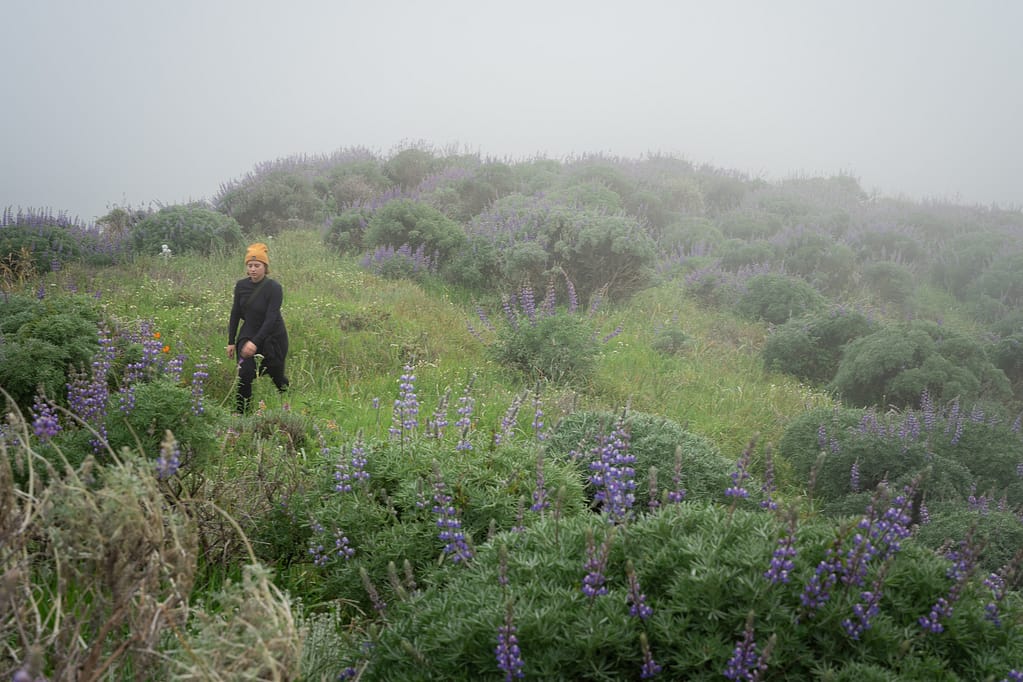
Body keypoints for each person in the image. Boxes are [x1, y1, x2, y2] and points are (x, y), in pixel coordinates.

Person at [227, 242, 289, 413]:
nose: (253, 269)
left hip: (273, 337)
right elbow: (235, 313)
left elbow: (271, 318)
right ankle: (242, 415)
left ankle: (288, 402)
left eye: (257, 265)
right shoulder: (241, 286)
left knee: (277, 377)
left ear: (265, 267)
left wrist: (256, 342)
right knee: (244, 375)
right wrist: (231, 341)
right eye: (250, 265)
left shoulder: (274, 288)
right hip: (248, 333)